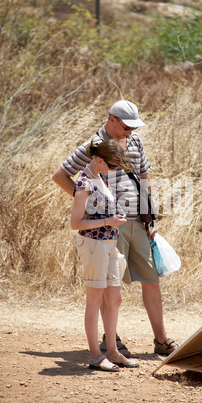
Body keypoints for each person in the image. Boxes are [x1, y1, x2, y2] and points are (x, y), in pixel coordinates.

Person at [53, 100, 177, 356]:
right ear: (112, 119)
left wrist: (149, 217)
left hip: (138, 222)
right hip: (110, 227)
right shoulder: (94, 144)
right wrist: (88, 204)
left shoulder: (136, 141)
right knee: (110, 285)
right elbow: (60, 176)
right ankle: (113, 342)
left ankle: (161, 341)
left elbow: (144, 176)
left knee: (151, 280)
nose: (129, 131)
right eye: (126, 126)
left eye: (133, 126)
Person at [71, 138, 139, 371]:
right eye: (112, 166)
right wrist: (108, 222)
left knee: (114, 299)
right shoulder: (84, 183)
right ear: (100, 160)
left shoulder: (99, 178)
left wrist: (113, 222)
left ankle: (112, 350)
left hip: (108, 245)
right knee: (95, 300)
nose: (115, 170)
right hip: (92, 246)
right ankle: (95, 356)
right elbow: (75, 223)